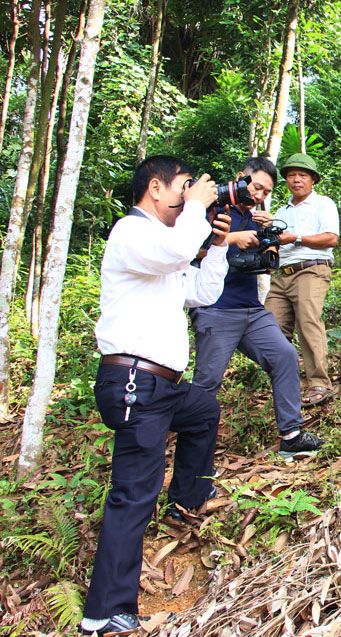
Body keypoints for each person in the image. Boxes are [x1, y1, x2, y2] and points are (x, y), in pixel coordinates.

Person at [80, 156, 229, 635]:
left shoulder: (167, 248)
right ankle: (104, 613)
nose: (190, 197)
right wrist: (198, 211)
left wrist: (220, 244)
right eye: (184, 187)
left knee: (203, 410)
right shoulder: (132, 232)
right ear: (156, 188)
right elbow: (172, 255)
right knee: (133, 494)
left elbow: (202, 292)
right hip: (133, 382)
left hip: (163, 388)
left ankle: (185, 503)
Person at [190, 157, 324, 460]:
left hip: (250, 309)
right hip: (215, 308)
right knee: (207, 380)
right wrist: (232, 238)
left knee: (285, 356)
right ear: (241, 178)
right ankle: (190, 444)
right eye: (257, 188)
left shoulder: (256, 217)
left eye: (266, 193)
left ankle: (291, 436)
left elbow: (267, 260)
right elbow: (185, 249)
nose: (260, 196)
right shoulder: (209, 210)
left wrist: (269, 242)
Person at [264, 153, 340, 407]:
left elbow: (331, 239)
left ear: (312, 180)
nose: (296, 180)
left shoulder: (323, 204)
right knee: (269, 328)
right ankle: (285, 383)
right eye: (291, 175)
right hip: (282, 275)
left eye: (302, 175)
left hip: (311, 270)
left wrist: (295, 237)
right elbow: (276, 244)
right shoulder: (281, 210)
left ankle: (319, 383)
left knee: (308, 322)